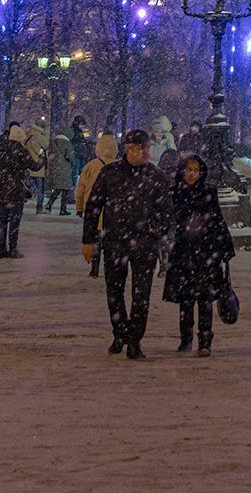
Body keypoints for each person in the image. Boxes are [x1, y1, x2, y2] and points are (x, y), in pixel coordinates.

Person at [81, 129, 171, 359]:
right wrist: (89, 240)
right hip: (115, 241)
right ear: (130, 149)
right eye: (143, 149)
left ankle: (134, 340)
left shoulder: (155, 175)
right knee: (114, 291)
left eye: (147, 148)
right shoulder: (110, 173)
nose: (147, 153)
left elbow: (166, 211)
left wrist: (155, 230)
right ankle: (120, 331)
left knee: (141, 296)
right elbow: (94, 206)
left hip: (144, 243)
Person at [162, 154, 235, 356]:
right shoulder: (175, 192)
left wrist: (225, 248)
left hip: (206, 252)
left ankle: (205, 340)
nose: (192, 174)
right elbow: (168, 218)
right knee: (186, 300)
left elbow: (218, 219)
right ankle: (185, 339)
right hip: (183, 252)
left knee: (205, 300)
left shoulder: (208, 191)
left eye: (195, 170)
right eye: (188, 169)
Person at [74, 133, 119, 278]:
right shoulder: (118, 166)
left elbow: (80, 187)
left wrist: (79, 206)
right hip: (111, 212)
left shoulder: (91, 165)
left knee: (95, 240)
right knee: (109, 243)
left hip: (94, 209)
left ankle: (94, 268)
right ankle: (109, 269)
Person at [0, 121, 33, 257]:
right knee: (15, 219)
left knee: (2, 218)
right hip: (16, 189)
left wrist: (4, 173)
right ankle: (13, 248)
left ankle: (2, 248)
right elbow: (34, 166)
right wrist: (43, 160)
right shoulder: (21, 150)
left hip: (2, 189)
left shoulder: (0, 149)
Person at [44, 131, 76, 214]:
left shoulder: (53, 143)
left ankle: (49, 205)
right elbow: (71, 156)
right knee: (66, 190)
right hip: (65, 168)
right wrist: (72, 163)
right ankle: (63, 209)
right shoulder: (67, 143)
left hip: (55, 169)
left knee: (57, 189)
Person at [25, 119, 51, 212]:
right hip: (38, 165)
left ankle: (28, 197)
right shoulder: (39, 135)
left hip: (29, 164)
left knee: (31, 185)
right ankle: (39, 208)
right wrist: (45, 135)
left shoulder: (28, 133)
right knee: (40, 188)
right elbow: (46, 144)